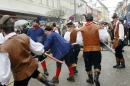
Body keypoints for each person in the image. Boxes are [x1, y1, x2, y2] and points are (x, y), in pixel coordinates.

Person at [0, 15, 55, 86]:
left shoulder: (4, 48)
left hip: (20, 75)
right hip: (31, 66)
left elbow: (4, 75)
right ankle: (48, 83)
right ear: (13, 27)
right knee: (34, 72)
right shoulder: (24, 36)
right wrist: (42, 49)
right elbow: (39, 50)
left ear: (2, 29)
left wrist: (3, 83)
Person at [77, 13, 102, 86]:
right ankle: (96, 77)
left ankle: (90, 79)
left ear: (86, 19)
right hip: (96, 49)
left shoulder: (81, 28)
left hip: (87, 50)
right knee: (97, 63)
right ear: (92, 19)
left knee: (88, 64)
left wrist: (86, 43)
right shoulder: (97, 27)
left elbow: (79, 41)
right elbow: (104, 37)